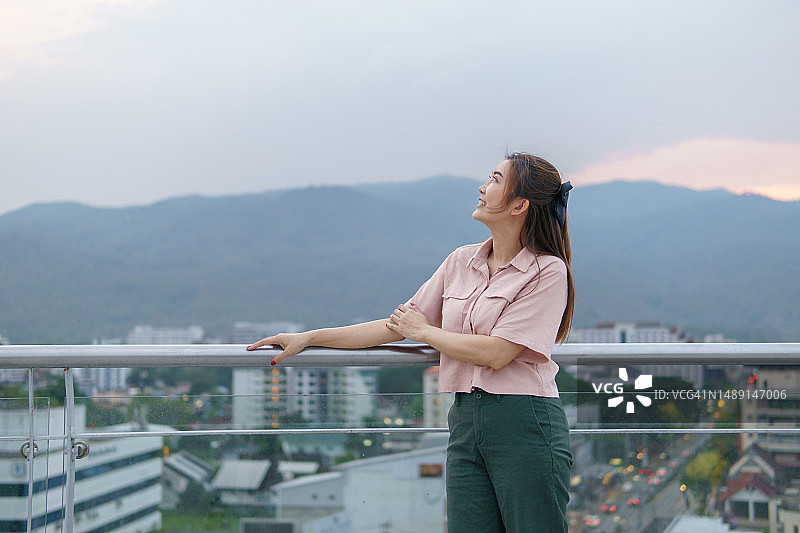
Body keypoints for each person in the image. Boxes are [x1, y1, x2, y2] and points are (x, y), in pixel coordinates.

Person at [247, 152, 575, 532]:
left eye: (496, 179)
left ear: (519, 204)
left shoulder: (547, 271)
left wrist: (425, 332)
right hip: (466, 419)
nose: (483, 188)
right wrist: (308, 338)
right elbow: (395, 326)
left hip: (526, 422)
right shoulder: (460, 261)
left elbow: (498, 353)